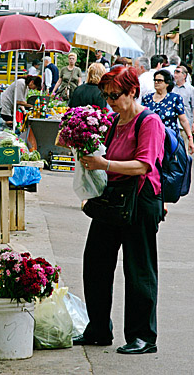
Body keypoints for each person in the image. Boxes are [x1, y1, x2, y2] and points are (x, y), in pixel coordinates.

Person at [74, 66, 165, 354]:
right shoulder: (114, 121)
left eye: (116, 95)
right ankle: (99, 327)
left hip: (140, 200)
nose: (110, 100)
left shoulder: (148, 122)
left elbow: (143, 165)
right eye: (106, 95)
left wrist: (104, 165)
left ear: (133, 91)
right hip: (112, 200)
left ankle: (142, 336)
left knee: (139, 269)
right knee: (95, 263)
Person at [142, 69, 194, 154]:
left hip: (169, 141)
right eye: (155, 80)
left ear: (167, 83)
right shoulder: (147, 98)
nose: (156, 82)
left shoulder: (174, 98)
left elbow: (183, 120)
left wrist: (190, 138)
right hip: (150, 140)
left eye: (159, 81)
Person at [173, 65, 194, 149]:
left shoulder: (190, 89)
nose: (175, 74)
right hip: (173, 124)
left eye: (178, 72)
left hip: (184, 125)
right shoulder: (171, 89)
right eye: (174, 72)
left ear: (184, 75)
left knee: (184, 149)